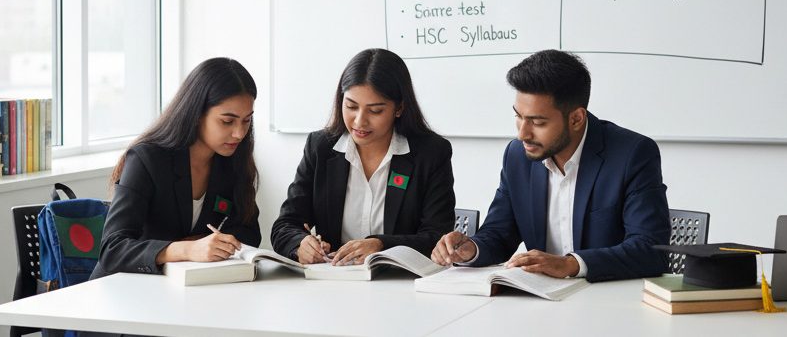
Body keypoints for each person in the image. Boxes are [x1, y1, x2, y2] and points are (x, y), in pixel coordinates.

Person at [431, 49, 670, 281]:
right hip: (541, 299)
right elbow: (499, 234)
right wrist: (471, 249)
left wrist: (571, 264)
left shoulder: (632, 154)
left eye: (537, 122)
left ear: (576, 118)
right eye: (518, 117)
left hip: (607, 301)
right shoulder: (517, 156)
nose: (523, 134)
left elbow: (650, 250)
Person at [271, 48, 455, 265]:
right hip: (332, 282)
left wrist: (381, 245)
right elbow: (285, 224)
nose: (359, 121)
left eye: (375, 111)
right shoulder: (320, 148)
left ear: (399, 108)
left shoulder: (431, 153)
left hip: (399, 283)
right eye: (351, 106)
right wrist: (300, 244)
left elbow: (436, 236)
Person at [91, 57, 261, 278]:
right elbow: (113, 249)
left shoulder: (233, 160)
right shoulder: (147, 159)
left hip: (185, 288)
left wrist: (201, 243)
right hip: (125, 289)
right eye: (227, 121)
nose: (239, 133)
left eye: (247, 121)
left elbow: (249, 232)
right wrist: (184, 249)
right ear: (197, 113)